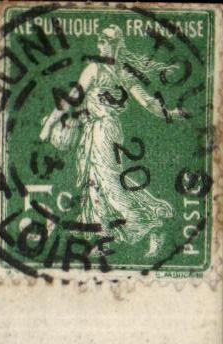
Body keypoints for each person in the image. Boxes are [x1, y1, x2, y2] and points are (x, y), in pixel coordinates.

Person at [38, 23, 190, 257]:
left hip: (104, 130)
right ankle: (103, 238)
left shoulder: (114, 72)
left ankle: (150, 228)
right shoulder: (99, 70)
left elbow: (147, 101)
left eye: (108, 40)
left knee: (109, 183)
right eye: (100, 39)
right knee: (94, 182)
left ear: (117, 45)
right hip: (95, 130)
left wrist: (169, 113)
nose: (102, 43)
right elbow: (72, 99)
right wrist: (50, 122)